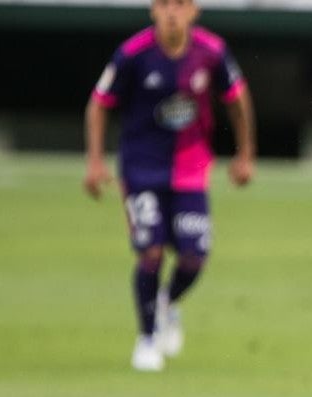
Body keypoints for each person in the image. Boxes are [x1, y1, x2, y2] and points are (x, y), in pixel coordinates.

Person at [84, 0, 255, 372]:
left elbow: (237, 99)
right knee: (151, 252)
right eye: (164, 4)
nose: (172, 12)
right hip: (141, 170)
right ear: (152, 10)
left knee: (194, 257)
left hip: (191, 171)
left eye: (180, 4)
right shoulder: (133, 54)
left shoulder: (212, 52)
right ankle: (146, 339)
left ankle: (166, 302)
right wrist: (95, 163)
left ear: (195, 10)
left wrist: (245, 155)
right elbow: (99, 104)